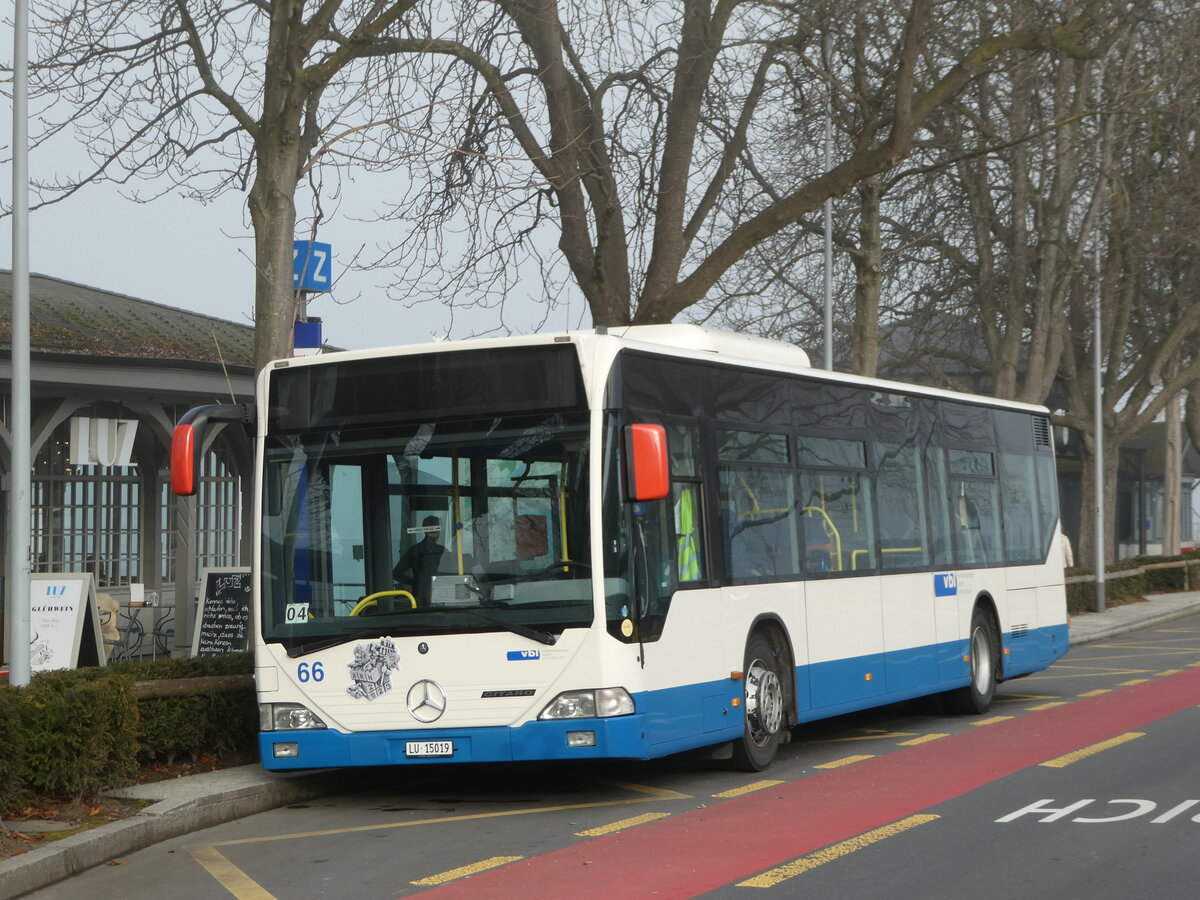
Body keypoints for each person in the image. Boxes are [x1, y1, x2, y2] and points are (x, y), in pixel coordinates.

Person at [393, 516, 447, 606]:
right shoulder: (443, 551)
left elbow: (396, 573)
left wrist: (415, 582)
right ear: (438, 531)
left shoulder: (414, 550)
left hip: (418, 598)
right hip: (441, 598)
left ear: (424, 530)